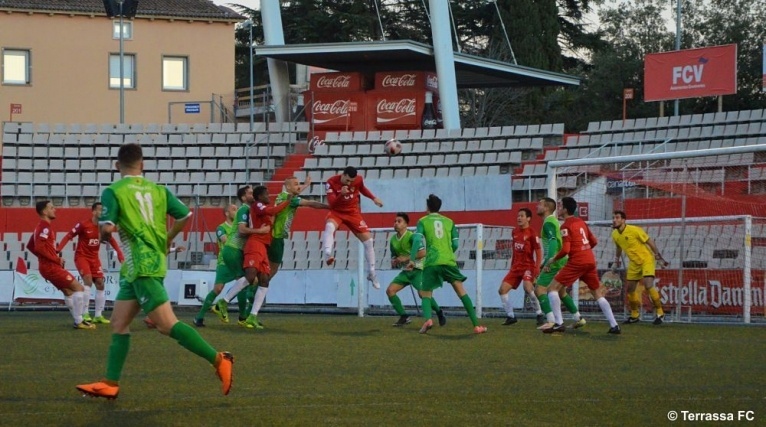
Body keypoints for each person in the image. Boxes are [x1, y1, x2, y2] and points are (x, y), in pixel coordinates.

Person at [76, 143, 233, 400]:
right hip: (142, 266)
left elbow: (105, 230)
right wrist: (167, 238)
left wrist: (109, 231)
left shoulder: (113, 191)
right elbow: (184, 214)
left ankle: (219, 360)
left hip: (142, 265)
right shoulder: (159, 190)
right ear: (143, 164)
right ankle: (110, 382)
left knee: (166, 325)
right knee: (118, 323)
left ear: (117, 166)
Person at [542, 197, 620, 334]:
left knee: (552, 289)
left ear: (565, 209)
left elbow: (566, 250)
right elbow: (593, 241)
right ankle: (614, 325)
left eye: (560, 206)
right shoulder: (581, 222)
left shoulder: (565, 226)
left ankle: (559, 323)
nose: (558, 209)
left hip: (577, 261)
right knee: (597, 293)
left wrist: (552, 259)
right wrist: (584, 249)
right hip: (589, 259)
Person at [409, 194, 487, 334]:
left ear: (427, 207)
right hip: (448, 261)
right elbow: (456, 244)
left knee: (426, 293)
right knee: (461, 291)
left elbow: (416, 240)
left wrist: (411, 259)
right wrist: (448, 253)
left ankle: (428, 320)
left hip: (432, 262)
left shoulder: (422, 221)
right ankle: (476, 326)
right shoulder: (450, 222)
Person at [27, 200, 95, 330]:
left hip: (47, 266)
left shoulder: (40, 227)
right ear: (44, 211)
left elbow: (31, 246)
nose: (55, 209)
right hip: (51, 267)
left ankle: (78, 320)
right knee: (79, 288)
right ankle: (79, 321)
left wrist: (45, 260)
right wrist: (55, 259)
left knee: (68, 291)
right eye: (52, 208)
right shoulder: (45, 227)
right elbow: (39, 248)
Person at [211, 186, 270, 328]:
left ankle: (247, 315)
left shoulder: (251, 209)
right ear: (243, 197)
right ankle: (238, 313)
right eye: (250, 193)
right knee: (251, 279)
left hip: (237, 249)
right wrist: (260, 231)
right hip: (234, 248)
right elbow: (242, 230)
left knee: (257, 280)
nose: (253, 195)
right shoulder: (244, 209)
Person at [57, 202, 125, 324]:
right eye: (100, 210)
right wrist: (58, 249)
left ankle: (98, 315)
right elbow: (69, 236)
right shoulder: (83, 225)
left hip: (94, 258)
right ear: (93, 212)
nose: (102, 213)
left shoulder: (103, 227)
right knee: (88, 279)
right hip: (82, 257)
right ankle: (85, 313)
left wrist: (119, 252)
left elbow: (111, 239)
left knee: (100, 283)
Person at [322, 166, 384, 289]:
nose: (350, 183)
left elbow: (362, 189)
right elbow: (332, 204)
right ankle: (328, 254)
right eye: (347, 180)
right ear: (343, 175)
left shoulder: (358, 180)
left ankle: (372, 273)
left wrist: (373, 198)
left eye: (352, 181)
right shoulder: (331, 182)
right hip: (337, 212)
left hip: (352, 213)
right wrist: (341, 194)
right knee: (329, 226)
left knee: (369, 241)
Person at [386, 212, 446, 327]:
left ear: (406, 224)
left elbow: (423, 252)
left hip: (418, 270)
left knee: (422, 294)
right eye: (395, 221)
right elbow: (394, 256)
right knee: (390, 291)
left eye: (399, 221)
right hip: (406, 272)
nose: (396, 224)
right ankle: (404, 316)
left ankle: (439, 312)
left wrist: (406, 258)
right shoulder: (393, 240)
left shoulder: (412, 236)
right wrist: (395, 261)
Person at [535, 197, 585, 330]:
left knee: (539, 289)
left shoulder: (548, 223)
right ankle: (578, 318)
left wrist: (547, 262)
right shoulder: (553, 221)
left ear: (546, 208)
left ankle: (552, 321)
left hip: (555, 262)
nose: (536, 206)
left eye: (539, 204)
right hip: (562, 261)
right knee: (561, 291)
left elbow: (552, 242)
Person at [268, 175, 329, 279]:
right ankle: (253, 290)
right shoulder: (291, 199)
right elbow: (310, 203)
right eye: (296, 184)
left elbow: (296, 191)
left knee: (270, 269)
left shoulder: (283, 195)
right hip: (276, 237)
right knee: (272, 270)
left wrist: (305, 185)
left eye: (299, 184)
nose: (298, 187)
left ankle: (256, 290)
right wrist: (328, 206)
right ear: (288, 187)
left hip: (274, 236)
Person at [611, 210, 666, 325]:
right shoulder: (615, 234)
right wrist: (616, 261)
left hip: (646, 260)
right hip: (634, 263)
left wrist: (657, 255)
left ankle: (660, 313)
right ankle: (635, 315)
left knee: (648, 285)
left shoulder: (634, 230)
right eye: (614, 218)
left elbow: (649, 241)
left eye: (617, 217)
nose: (614, 220)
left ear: (623, 220)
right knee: (630, 289)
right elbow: (618, 248)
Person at [192, 203, 238, 327]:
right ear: (227, 213)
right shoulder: (221, 228)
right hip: (224, 262)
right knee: (218, 289)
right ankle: (199, 317)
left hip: (238, 262)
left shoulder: (240, 227)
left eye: (237, 209)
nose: (236, 211)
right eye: (234, 209)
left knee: (246, 283)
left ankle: (243, 317)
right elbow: (227, 242)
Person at [497, 208, 543, 325]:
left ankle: (539, 313)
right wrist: (512, 265)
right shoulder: (515, 232)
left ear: (528, 218)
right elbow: (514, 249)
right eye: (518, 216)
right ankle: (511, 316)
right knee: (502, 290)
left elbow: (538, 250)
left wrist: (537, 267)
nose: (519, 218)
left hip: (528, 266)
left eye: (522, 216)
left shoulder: (532, 232)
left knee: (528, 288)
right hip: (516, 267)